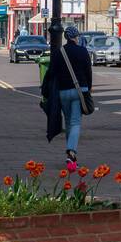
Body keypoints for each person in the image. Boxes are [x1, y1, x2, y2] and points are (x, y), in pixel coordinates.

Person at [43, 25, 93, 164]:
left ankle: (71, 155)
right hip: (79, 91)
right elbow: (88, 72)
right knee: (76, 122)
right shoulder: (83, 51)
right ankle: (71, 152)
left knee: (69, 121)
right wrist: (88, 88)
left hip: (63, 91)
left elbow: (52, 72)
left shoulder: (60, 52)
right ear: (76, 37)